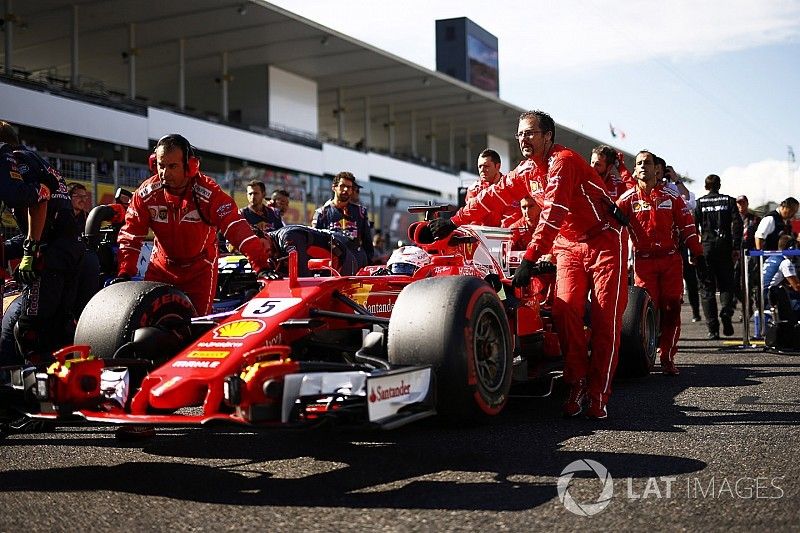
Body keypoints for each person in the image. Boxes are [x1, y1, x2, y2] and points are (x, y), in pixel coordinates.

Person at [430, 110, 629, 419]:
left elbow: (553, 214)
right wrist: (453, 221)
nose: (523, 138)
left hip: (605, 239)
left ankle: (598, 393)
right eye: (520, 133)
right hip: (568, 244)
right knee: (564, 311)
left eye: (530, 133)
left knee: (606, 320)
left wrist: (530, 258)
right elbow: (494, 196)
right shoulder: (526, 170)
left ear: (547, 136)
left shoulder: (564, 161)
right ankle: (576, 381)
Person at [114, 134, 271, 315]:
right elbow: (131, 234)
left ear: (190, 166)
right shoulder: (146, 194)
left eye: (172, 166)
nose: (164, 173)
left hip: (200, 271)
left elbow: (237, 227)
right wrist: (124, 273)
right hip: (161, 268)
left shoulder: (209, 193)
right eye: (161, 165)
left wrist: (261, 266)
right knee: (149, 318)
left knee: (196, 324)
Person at [0, 122, 83, 365]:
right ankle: (63, 382)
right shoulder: (39, 161)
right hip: (69, 250)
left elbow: (40, 199)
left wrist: (30, 250)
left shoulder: (17, 160)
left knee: (29, 331)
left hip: (50, 256)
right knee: (59, 328)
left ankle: (38, 384)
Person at [616, 150, 704, 375]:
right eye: (639, 163)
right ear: (634, 170)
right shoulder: (626, 199)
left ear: (657, 169)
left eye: (647, 163)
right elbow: (610, 226)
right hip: (643, 264)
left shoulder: (672, 197)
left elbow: (688, 226)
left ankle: (667, 357)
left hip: (671, 261)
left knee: (672, 309)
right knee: (645, 312)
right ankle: (646, 355)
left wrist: (698, 253)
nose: (642, 166)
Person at [694, 174, 743, 339]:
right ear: (719, 186)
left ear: (706, 187)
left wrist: (694, 250)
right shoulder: (729, 201)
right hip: (725, 247)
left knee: (706, 288)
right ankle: (726, 312)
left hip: (706, 248)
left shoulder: (700, 203)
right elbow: (738, 224)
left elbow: (692, 227)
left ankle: (713, 329)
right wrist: (736, 246)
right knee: (727, 284)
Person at [312, 171, 373, 268]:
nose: (345, 189)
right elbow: (315, 244)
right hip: (332, 265)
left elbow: (368, 243)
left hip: (356, 263)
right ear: (334, 187)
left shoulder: (360, 212)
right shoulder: (322, 213)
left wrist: (368, 264)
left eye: (349, 187)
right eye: (342, 186)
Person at [259, 224, 359, 277]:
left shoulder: (288, 238)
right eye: (259, 251)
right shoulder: (272, 247)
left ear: (265, 235)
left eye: (262, 245)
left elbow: (302, 274)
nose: (263, 251)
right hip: (323, 271)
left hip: (342, 262)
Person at [464, 149, 520, 227]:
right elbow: (471, 217)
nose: (482, 170)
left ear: (498, 166)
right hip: (480, 232)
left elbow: (513, 216)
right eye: (480, 166)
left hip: (505, 232)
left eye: (486, 166)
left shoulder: (510, 186)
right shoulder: (473, 189)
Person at [734, 195, 761, 320]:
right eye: (738, 203)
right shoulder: (732, 218)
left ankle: (746, 309)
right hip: (736, 252)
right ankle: (748, 304)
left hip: (750, 253)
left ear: (747, 203)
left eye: (743, 203)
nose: (741, 205)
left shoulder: (755, 219)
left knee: (747, 282)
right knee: (734, 283)